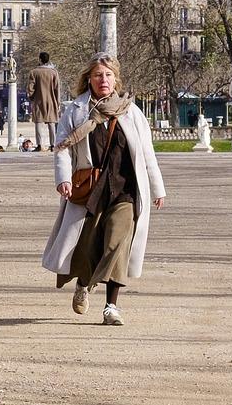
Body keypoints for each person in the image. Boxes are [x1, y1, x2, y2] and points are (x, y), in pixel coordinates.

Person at [43, 57, 166, 326]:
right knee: (89, 246)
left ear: (115, 79)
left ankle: (111, 306)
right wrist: (63, 179)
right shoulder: (76, 111)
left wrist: (158, 188)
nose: (103, 80)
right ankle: (84, 283)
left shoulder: (130, 111)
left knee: (117, 242)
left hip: (126, 190)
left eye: (108, 75)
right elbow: (62, 148)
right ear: (89, 79)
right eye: (98, 75)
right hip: (91, 188)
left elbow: (147, 153)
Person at [28, 51, 62, 154]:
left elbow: (31, 88)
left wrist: (31, 97)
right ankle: (53, 145)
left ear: (40, 59)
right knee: (51, 124)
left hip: (38, 101)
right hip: (51, 101)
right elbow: (57, 88)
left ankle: (39, 145)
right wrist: (58, 102)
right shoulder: (54, 72)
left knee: (39, 124)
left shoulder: (34, 72)